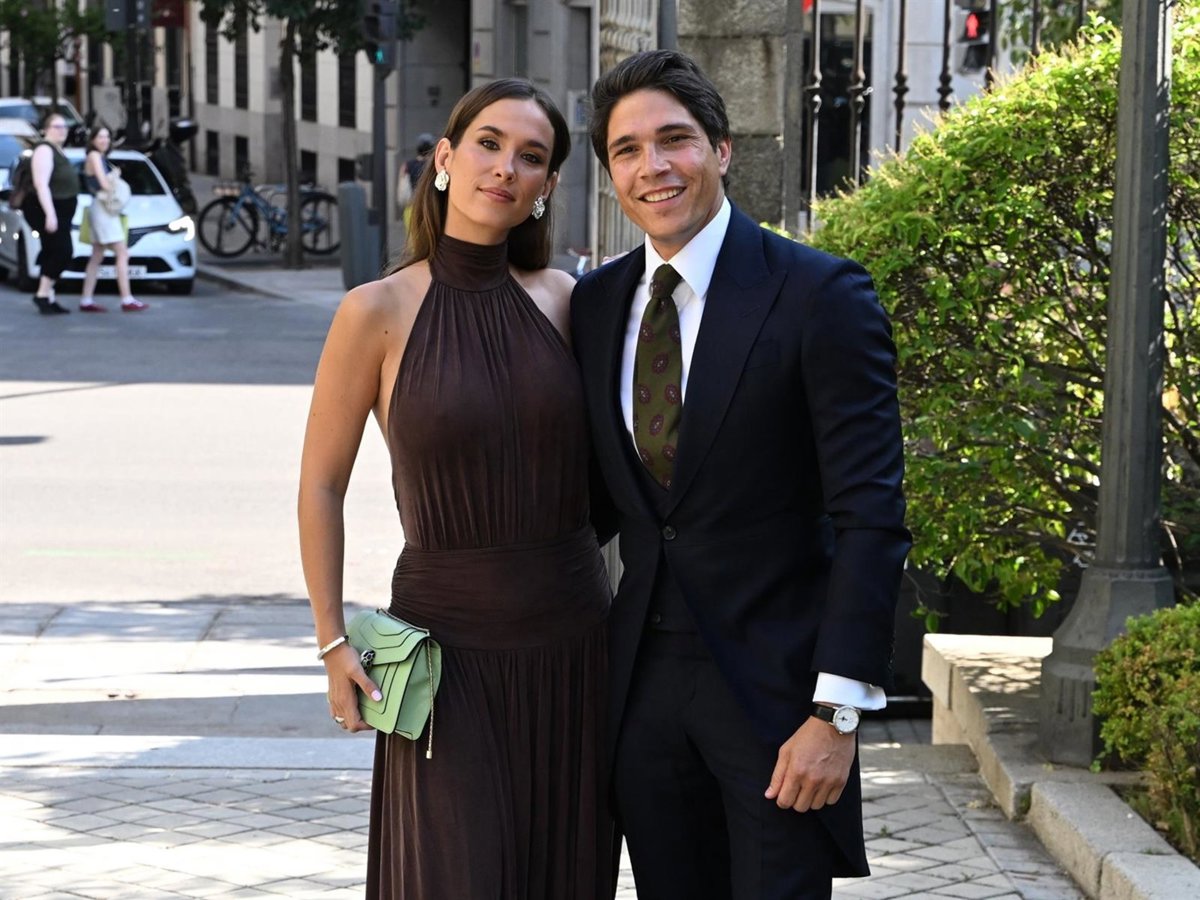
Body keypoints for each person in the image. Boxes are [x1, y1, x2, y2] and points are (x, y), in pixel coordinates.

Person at [571, 50, 911, 899]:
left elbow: (872, 518)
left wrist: (836, 713)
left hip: (778, 703)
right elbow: (593, 504)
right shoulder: (596, 305)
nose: (653, 166)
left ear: (721, 150)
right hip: (643, 699)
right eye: (627, 150)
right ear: (611, 173)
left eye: (674, 139)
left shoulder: (820, 295)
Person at [298, 79, 613, 898]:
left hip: (574, 646)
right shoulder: (374, 311)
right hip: (444, 656)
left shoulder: (568, 302)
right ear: (444, 157)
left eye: (531, 157)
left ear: (546, 187)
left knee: (563, 874)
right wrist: (333, 643)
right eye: (489, 144)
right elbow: (322, 485)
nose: (505, 167)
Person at [79, 125, 147, 313]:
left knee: (97, 255)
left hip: (99, 208)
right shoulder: (94, 156)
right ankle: (127, 298)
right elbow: (103, 183)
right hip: (104, 210)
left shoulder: (98, 156)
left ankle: (86, 299)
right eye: (100, 137)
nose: (104, 140)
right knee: (122, 253)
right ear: (93, 139)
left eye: (107, 137)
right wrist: (115, 180)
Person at [24, 113, 77, 315]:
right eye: (57, 127)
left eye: (64, 126)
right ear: (46, 129)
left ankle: (48, 296)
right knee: (63, 251)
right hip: (49, 208)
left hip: (61, 209)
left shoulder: (57, 149)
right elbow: (41, 184)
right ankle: (41, 294)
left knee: (51, 250)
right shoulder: (44, 150)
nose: (62, 130)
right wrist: (50, 214)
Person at [395, 132, 435, 230]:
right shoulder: (434, 166)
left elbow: (402, 185)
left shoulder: (407, 165)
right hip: (430, 208)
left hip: (412, 207)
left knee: (413, 237)